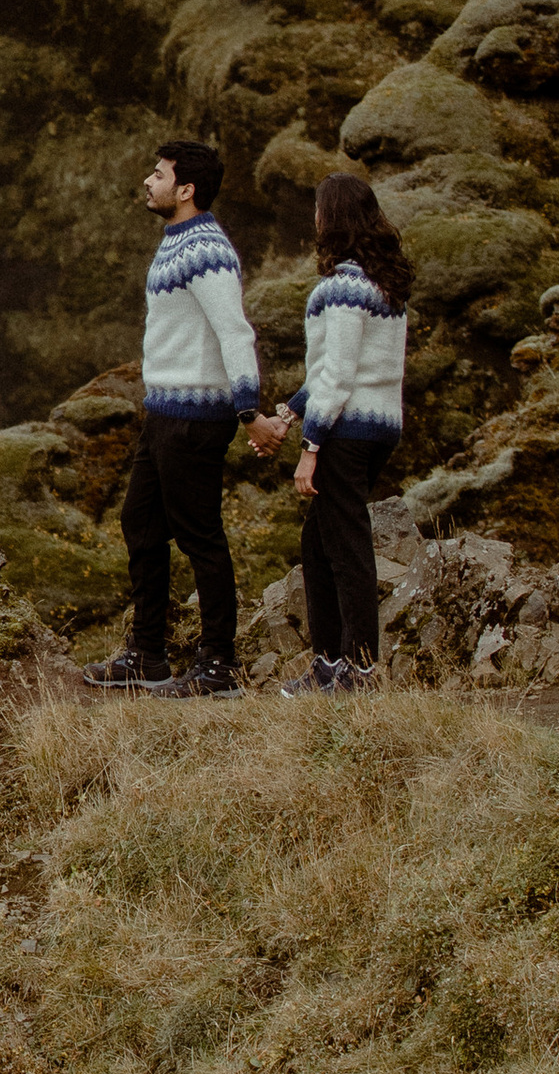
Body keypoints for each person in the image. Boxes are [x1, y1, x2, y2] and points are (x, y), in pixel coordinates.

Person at [87, 137, 263, 698]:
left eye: (158, 173)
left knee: (200, 536)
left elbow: (235, 330)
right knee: (140, 522)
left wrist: (249, 409)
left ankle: (219, 664)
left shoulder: (206, 249)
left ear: (185, 189)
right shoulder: (176, 242)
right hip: (164, 412)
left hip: (195, 416)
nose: (148, 180)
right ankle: (149, 655)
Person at [249, 167, 411, 690]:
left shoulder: (342, 287)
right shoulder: (383, 284)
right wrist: (288, 413)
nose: (314, 218)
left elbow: (337, 377)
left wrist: (310, 446)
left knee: (346, 550)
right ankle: (330, 665)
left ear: (332, 216)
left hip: (346, 431)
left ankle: (358, 669)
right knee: (320, 545)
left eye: (319, 209)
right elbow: (330, 373)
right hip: (379, 426)